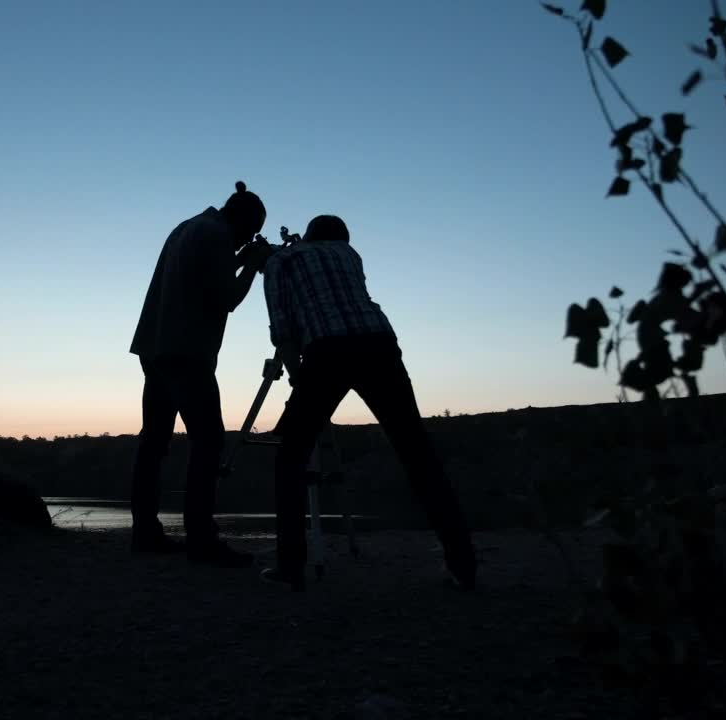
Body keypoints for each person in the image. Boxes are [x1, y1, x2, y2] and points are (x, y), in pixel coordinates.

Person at [258, 214, 477, 592]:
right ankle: (464, 564)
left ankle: (290, 565)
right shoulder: (350, 254)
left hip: (327, 349)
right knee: (417, 453)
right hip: (380, 344)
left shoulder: (282, 261)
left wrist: (297, 373)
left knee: (291, 456)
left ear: (308, 234)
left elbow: (283, 325)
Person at [129, 181, 276, 567]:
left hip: (156, 346)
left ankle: (145, 533)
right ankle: (202, 541)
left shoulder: (190, 227)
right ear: (243, 219)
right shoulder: (214, 235)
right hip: (187, 351)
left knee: (154, 443)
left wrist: (243, 255)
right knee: (208, 441)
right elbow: (226, 297)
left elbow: (203, 277)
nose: (247, 238)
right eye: (249, 230)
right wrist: (255, 266)